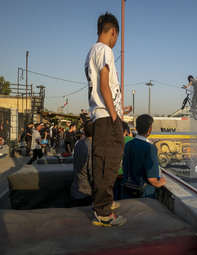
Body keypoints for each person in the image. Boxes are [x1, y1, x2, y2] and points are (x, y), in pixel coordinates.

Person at [85, 12, 127, 227]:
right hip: (105, 115)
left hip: (103, 114)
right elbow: (104, 85)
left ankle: (104, 203)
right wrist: (113, 114)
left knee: (107, 159)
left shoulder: (92, 51)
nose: (115, 40)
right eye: (116, 36)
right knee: (108, 161)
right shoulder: (105, 50)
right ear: (113, 31)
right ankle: (103, 212)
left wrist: (120, 109)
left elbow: (105, 87)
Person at [122, 114, 166, 199]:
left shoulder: (128, 144)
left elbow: (124, 167)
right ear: (150, 129)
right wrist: (158, 183)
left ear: (136, 128)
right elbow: (152, 178)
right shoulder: (150, 148)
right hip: (143, 195)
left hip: (127, 192)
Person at [70, 120, 93, 207]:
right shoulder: (92, 148)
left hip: (76, 188)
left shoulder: (79, 144)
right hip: (86, 193)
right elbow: (92, 174)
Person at [113, 121, 134, 200]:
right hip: (127, 177)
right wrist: (130, 137)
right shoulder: (131, 141)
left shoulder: (111, 142)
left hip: (113, 176)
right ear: (125, 131)